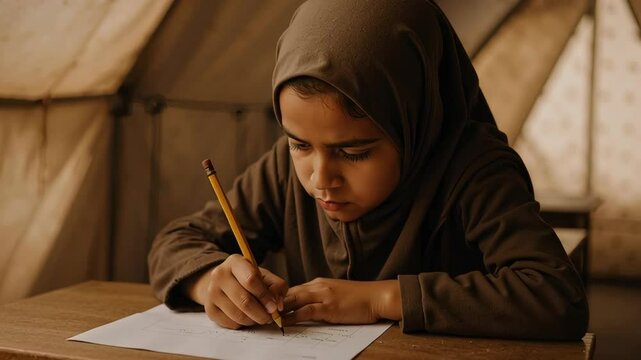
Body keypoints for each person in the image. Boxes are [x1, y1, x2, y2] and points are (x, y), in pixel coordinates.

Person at [148, 0, 588, 340]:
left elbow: (554, 296)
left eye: (354, 151)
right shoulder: (284, 172)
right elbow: (175, 242)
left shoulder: (475, 171)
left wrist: (380, 298)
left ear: (412, 122)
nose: (321, 177)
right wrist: (211, 282)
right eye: (300, 144)